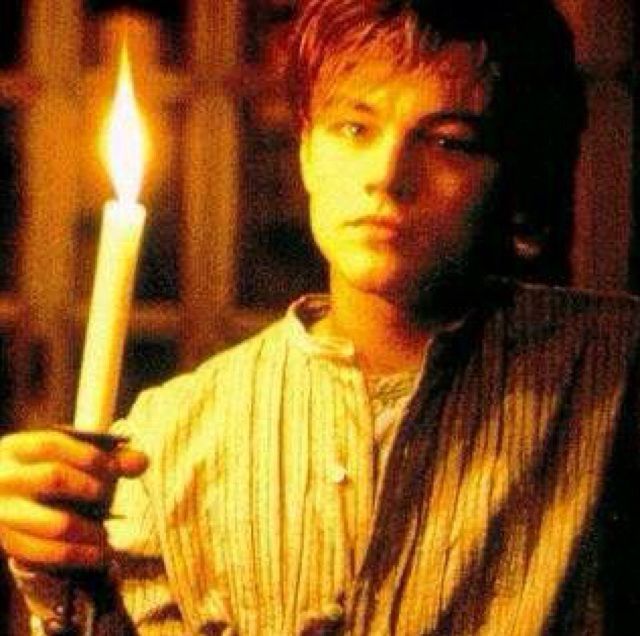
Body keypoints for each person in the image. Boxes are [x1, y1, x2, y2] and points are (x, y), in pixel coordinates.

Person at [1, 0, 639, 633]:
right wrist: (54, 574)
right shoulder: (170, 439)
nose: (387, 176)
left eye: (449, 141)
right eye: (354, 129)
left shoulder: (611, 374)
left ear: (517, 174)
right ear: (307, 150)